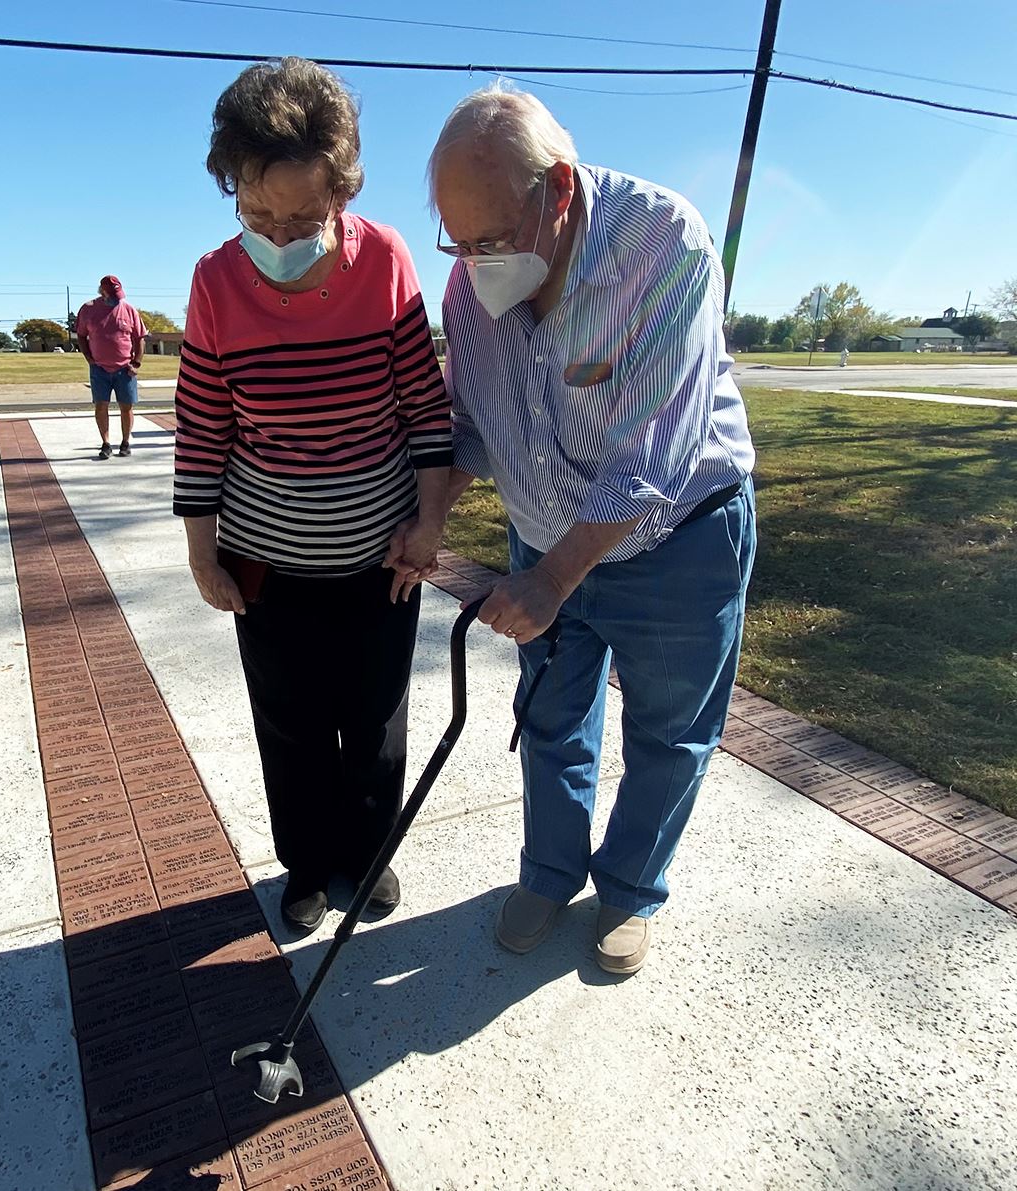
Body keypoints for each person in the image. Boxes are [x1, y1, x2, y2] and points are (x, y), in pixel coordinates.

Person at [423, 85, 756, 974]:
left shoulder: (665, 243)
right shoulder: (469, 288)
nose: (475, 260)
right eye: (458, 240)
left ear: (560, 190)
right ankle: (549, 871)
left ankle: (630, 890)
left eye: (493, 237)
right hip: (544, 536)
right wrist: (431, 520)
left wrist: (551, 579)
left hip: (679, 539)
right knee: (550, 719)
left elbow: (654, 455)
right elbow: (472, 423)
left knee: (670, 731)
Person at [174, 58, 451, 933]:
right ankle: (307, 863)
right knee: (290, 725)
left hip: (381, 555)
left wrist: (430, 521)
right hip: (267, 558)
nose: (281, 232)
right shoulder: (216, 281)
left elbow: (425, 407)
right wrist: (200, 548)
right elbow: (202, 425)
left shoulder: (387, 263)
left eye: (305, 214)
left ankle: (368, 856)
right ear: (232, 190)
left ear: (342, 189)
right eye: (258, 212)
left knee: (374, 719)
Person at [76, 275, 147, 459]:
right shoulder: (88, 309)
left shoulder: (129, 310)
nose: (117, 298)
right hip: (99, 368)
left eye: (119, 294)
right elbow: (81, 335)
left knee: (126, 407)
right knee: (101, 406)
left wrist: (136, 363)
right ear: (102, 291)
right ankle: (106, 443)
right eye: (113, 294)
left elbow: (140, 338)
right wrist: (88, 358)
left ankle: (125, 442)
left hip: (125, 369)